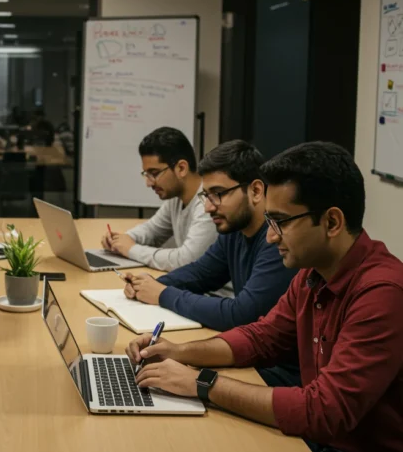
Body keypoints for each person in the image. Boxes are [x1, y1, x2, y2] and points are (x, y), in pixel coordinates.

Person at [125, 142, 403, 452]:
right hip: (317, 440)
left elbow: (325, 412)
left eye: (281, 222)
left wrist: (200, 382)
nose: (270, 236)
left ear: (332, 223)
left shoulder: (383, 293)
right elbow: (261, 338)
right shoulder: (312, 273)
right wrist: (179, 351)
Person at [123, 140, 298, 333]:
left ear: (256, 191)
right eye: (206, 195)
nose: (208, 207)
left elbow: (241, 314)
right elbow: (201, 273)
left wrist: (163, 294)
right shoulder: (234, 230)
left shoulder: (278, 240)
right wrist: (149, 284)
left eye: (218, 193)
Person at [101, 127, 217, 272]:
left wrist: (131, 249)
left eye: (154, 173)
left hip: (215, 294)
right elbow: (152, 231)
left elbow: (186, 260)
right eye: (146, 174)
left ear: (181, 168)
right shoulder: (176, 198)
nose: (149, 183)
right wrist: (121, 239)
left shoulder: (208, 203)